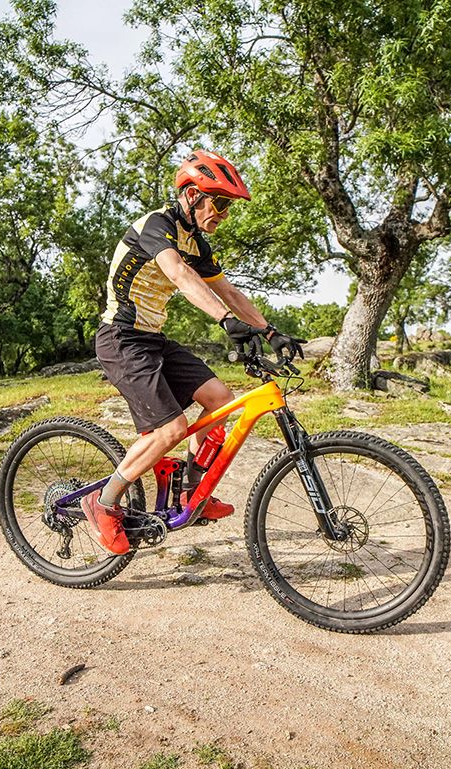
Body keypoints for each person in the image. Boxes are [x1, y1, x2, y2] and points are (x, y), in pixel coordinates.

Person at [84, 149, 304, 555]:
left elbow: (230, 292)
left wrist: (270, 331)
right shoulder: (157, 225)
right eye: (218, 202)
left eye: (228, 206)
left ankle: (189, 491)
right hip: (120, 338)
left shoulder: (196, 243)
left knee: (219, 400)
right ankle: (103, 502)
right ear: (190, 194)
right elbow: (179, 276)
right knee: (167, 431)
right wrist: (225, 321)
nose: (222, 212)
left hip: (152, 338)